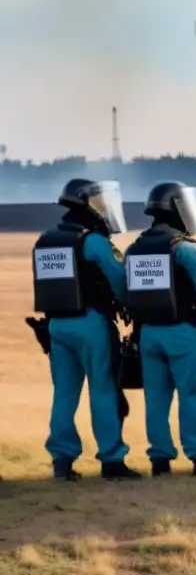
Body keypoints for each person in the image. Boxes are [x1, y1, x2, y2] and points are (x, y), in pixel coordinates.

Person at [31, 179, 140, 481]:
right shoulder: (92, 241)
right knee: (103, 389)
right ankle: (112, 460)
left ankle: (62, 461)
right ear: (84, 204)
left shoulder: (46, 239)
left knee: (64, 394)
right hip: (92, 323)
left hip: (56, 326)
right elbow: (121, 281)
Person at [124, 182, 196, 476]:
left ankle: (160, 460)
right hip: (181, 331)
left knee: (156, 399)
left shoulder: (135, 247)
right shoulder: (183, 248)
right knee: (192, 393)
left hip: (147, 334)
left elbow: (126, 291)